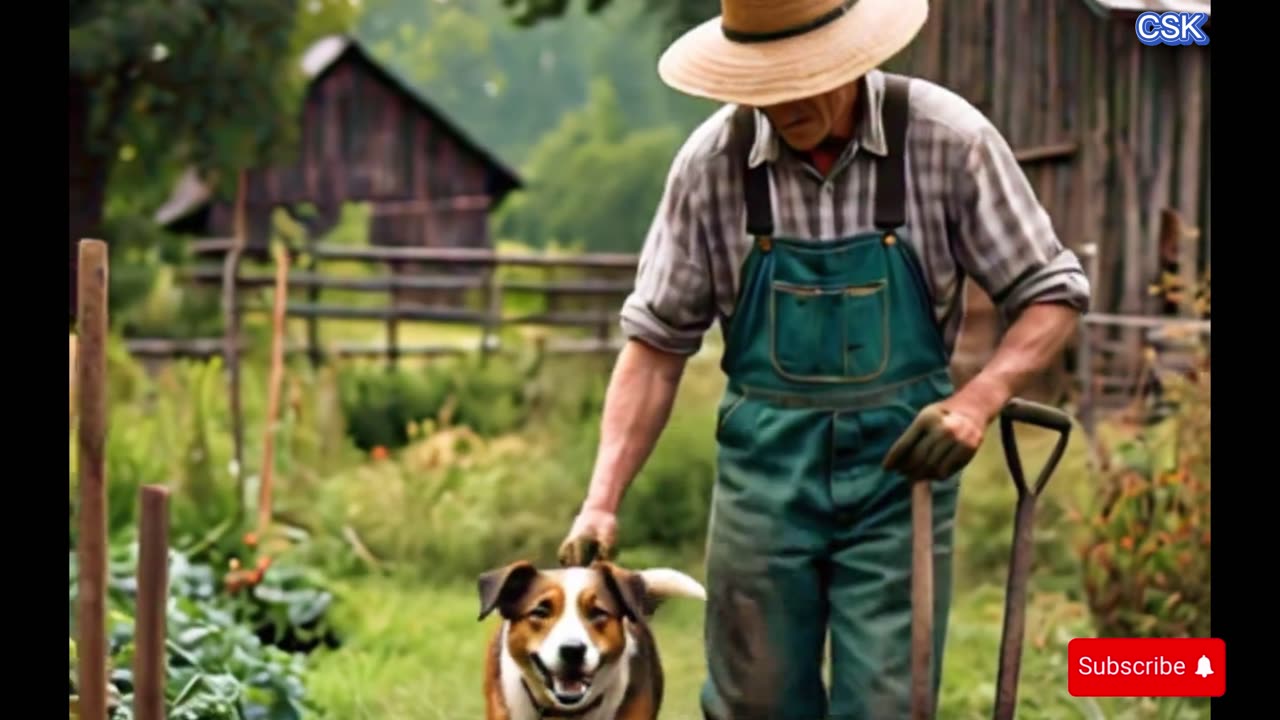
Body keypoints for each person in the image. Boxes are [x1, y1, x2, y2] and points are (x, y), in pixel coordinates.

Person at [557, 0, 1091, 717]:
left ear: (852, 56)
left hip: (903, 473)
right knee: (756, 700)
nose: (783, 100)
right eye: (764, 80)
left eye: (802, 75)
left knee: (889, 702)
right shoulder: (712, 167)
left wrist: (978, 400)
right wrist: (601, 499)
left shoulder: (945, 140)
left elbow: (1052, 293)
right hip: (764, 476)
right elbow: (655, 350)